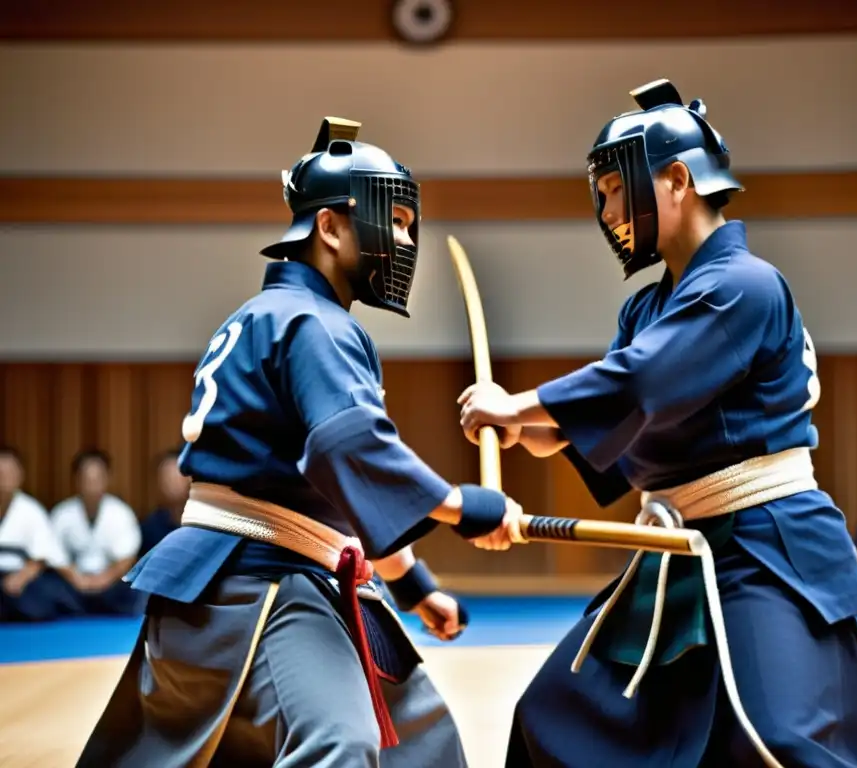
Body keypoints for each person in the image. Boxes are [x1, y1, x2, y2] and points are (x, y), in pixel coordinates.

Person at [458, 79, 857, 767]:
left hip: (763, 551)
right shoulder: (646, 310)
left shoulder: (746, 285)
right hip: (675, 557)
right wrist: (524, 429)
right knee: (551, 716)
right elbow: (613, 421)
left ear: (676, 179)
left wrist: (517, 406)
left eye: (613, 188)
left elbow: (641, 382)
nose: (605, 209)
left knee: (783, 741)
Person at [75, 117, 523, 768]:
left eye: (407, 223)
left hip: (258, 574)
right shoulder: (312, 324)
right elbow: (348, 451)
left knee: (420, 742)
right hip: (258, 587)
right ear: (332, 226)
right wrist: (463, 506)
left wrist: (414, 585)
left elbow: (332, 491)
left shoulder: (267, 318)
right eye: (391, 220)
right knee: (340, 747)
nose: (403, 240)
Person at [50, 449, 144, 616]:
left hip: (109, 582)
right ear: (76, 480)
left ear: (107, 479)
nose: (92, 485)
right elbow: (55, 555)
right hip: (75, 582)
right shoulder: (62, 513)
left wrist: (104, 579)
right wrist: (76, 579)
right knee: (49, 589)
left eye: (97, 478)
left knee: (132, 589)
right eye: (87, 479)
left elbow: (127, 558)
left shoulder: (121, 512)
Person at [0, 445, 81, 622]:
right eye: (1, 472)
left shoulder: (31, 510)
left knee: (42, 598)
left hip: (20, 577)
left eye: (10, 471)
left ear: (20, 475)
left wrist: (21, 578)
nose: (4, 477)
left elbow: (41, 556)